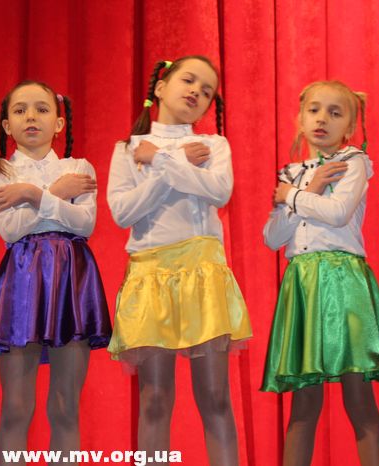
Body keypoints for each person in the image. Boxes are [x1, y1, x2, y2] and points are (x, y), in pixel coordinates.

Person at [107, 56, 251, 466]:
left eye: (206, 91)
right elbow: (122, 212)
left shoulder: (214, 145)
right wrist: (167, 165)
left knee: (216, 396)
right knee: (155, 399)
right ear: (160, 87)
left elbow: (219, 191)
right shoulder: (129, 149)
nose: (196, 92)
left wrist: (164, 160)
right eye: (188, 81)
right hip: (150, 274)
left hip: (202, 272)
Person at [261, 80, 379, 466]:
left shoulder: (353, 161)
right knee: (303, 406)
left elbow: (338, 213)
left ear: (349, 126)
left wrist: (294, 196)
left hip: (342, 280)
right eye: (314, 110)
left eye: (335, 113)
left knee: (359, 399)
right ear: (300, 118)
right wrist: (307, 189)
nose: (322, 119)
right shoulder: (292, 172)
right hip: (302, 284)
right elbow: (272, 237)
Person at [0, 80, 111, 464]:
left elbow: (84, 223)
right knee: (16, 408)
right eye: (20, 110)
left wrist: (32, 195)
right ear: (7, 125)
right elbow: (12, 229)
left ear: (59, 123)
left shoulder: (78, 168)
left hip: (71, 282)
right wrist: (55, 194)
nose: (31, 117)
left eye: (41, 109)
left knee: (65, 407)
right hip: (22, 284)